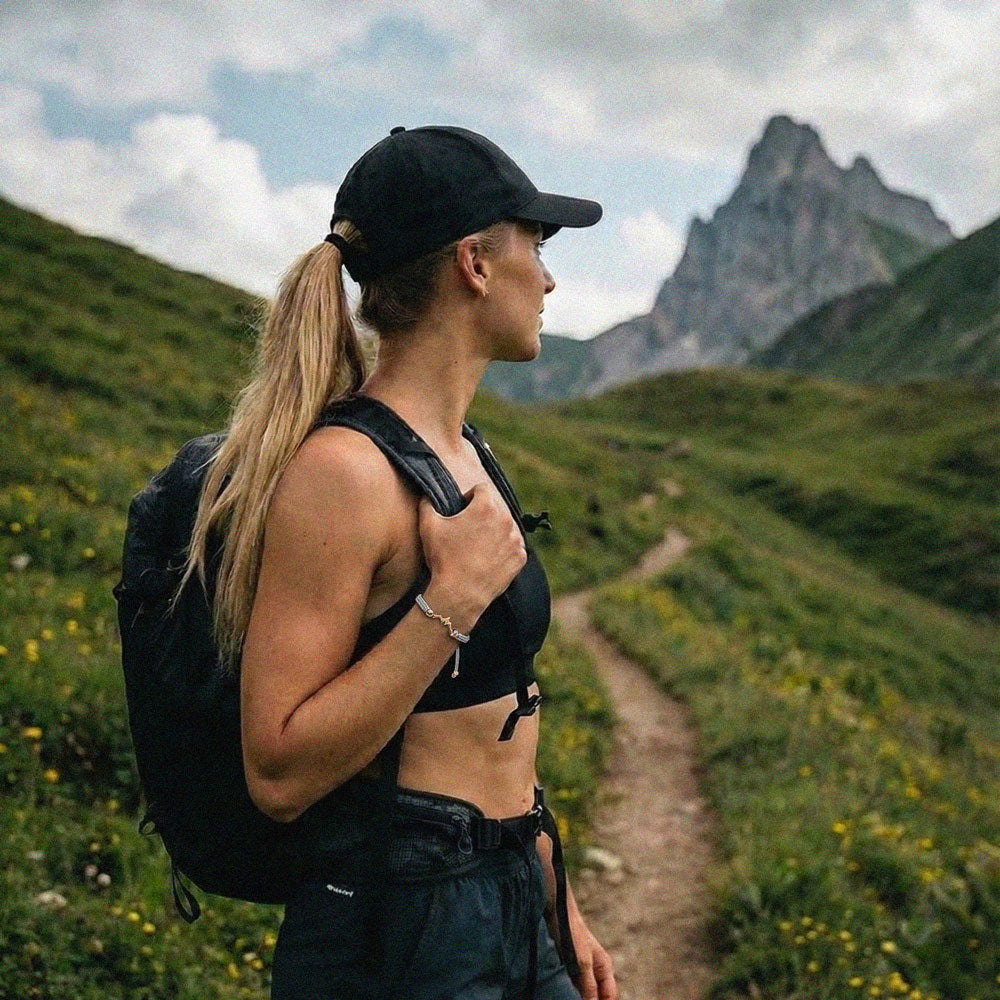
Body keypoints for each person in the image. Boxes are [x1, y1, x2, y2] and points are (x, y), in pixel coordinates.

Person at [182, 124, 616, 1000]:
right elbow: (277, 771)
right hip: (401, 917)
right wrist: (448, 602)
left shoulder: (467, 451)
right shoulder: (341, 473)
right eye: (537, 241)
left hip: (509, 888)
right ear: (475, 263)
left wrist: (553, 896)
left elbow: (494, 710)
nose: (551, 274)